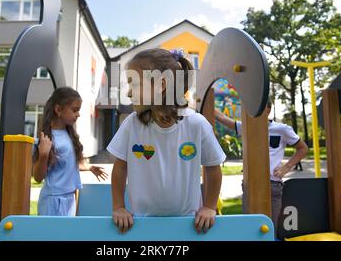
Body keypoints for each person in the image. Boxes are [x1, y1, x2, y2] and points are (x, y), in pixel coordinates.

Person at [107, 48, 226, 234]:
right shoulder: (132, 124)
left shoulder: (196, 124)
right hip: (141, 224)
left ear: (162, 84)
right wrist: (118, 207)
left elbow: (213, 168)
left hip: (189, 225)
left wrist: (210, 206)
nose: (129, 93)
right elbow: (120, 167)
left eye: (134, 84)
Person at [214, 99, 308, 229]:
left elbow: (303, 148)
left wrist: (286, 167)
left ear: (268, 110)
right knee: (249, 227)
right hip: (250, 183)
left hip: (272, 183)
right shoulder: (246, 127)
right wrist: (201, 101)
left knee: (270, 226)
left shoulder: (281, 129)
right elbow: (222, 117)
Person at [33, 87, 108, 216]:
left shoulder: (69, 135)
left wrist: (89, 167)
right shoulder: (46, 138)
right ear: (58, 110)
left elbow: (67, 162)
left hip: (70, 197)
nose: (78, 114)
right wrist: (43, 155)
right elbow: (38, 177)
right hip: (53, 200)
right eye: (74, 110)